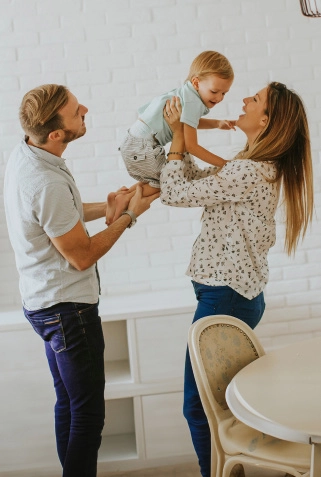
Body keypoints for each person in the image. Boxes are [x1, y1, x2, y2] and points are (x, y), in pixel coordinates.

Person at [3, 84, 159, 477]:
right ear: (56, 133)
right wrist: (131, 215)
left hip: (43, 305)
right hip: (67, 312)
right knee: (89, 416)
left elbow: (55, 221)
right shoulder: (46, 182)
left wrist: (110, 206)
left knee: (69, 406)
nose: (85, 109)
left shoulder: (27, 154)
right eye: (76, 111)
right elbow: (81, 255)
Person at [159, 84, 314, 477]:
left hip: (225, 299)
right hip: (232, 297)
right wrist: (176, 149)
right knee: (220, 406)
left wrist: (178, 136)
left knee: (198, 407)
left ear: (265, 121)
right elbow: (196, 181)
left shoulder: (248, 170)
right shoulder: (250, 165)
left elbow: (176, 193)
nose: (244, 100)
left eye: (255, 99)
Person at [106, 50, 236, 225]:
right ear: (196, 82)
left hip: (134, 142)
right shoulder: (192, 101)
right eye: (215, 91)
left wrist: (216, 123)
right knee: (170, 183)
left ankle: (125, 196)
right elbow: (192, 146)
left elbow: (187, 122)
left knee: (160, 181)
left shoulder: (186, 93)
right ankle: (124, 200)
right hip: (142, 147)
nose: (219, 98)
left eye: (224, 93)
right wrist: (225, 164)